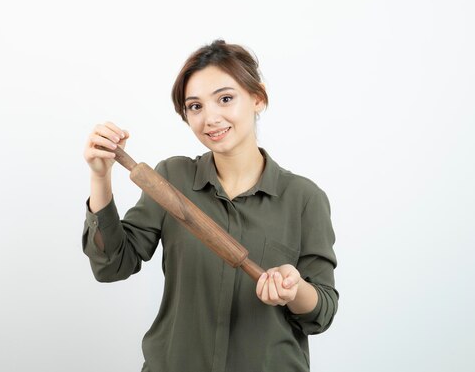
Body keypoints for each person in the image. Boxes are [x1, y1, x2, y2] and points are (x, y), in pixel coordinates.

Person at [82, 40, 338, 372]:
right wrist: (100, 177)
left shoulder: (304, 198)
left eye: (225, 99)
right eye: (195, 106)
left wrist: (295, 289)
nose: (210, 118)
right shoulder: (172, 177)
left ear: (257, 98)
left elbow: (322, 312)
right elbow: (112, 266)